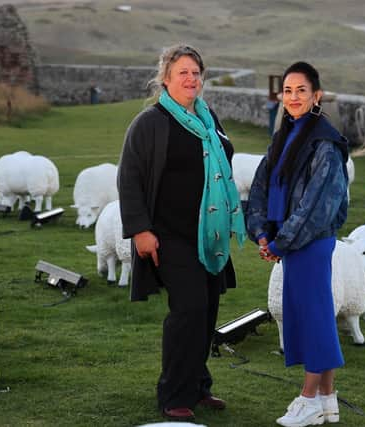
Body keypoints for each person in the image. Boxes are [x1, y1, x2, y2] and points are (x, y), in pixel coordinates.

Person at [117, 44, 245, 422]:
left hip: (208, 234)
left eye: (196, 72)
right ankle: (173, 394)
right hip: (169, 235)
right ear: (166, 79)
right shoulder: (151, 123)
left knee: (207, 312)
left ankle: (197, 386)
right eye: (183, 72)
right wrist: (140, 230)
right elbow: (130, 178)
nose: (191, 79)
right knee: (187, 309)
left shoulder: (207, 118)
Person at [246, 61, 349, 427]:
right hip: (290, 242)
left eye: (301, 90)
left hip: (311, 243)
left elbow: (317, 205)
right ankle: (327, 400)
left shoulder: (325, 142)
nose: (293, 97)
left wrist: (282, 242)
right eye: (287, 91)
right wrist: (262, 233)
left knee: (313, 319)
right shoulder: (284, 137)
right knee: (314, 315)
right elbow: (261, 187)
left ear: (316, 96)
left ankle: (307, 399)